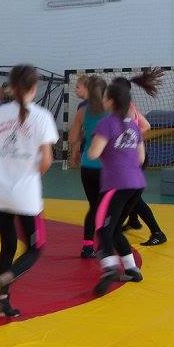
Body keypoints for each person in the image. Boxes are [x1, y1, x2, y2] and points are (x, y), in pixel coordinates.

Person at [0, 65, 59, 318]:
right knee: (36, 248)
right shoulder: (42, 116)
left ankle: (2, 302)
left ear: (11, 88)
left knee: (8, 245)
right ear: (34, 88)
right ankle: (2, 281)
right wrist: (31, 176)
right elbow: (47, 160)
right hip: (26, 195)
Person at [86, 77, 148, 297]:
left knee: (102, 228)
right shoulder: (133, 125)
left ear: (111, 101)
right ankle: (132, 270)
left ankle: (110, 268)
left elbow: (93, 153)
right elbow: (141, 158)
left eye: (105, 97)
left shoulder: (107, 123)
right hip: (136, 184)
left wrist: (98, 148)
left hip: (116, 184)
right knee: (113, 229)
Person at [116, 72, 168, 247]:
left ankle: (157, 232)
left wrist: (129, 139)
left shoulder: (127, 109)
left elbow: (142, 127)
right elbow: (145, 125)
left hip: (134, 158)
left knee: (134, 198)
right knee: (132, 196)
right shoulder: (127, 106)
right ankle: (133, 220)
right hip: (134, 157)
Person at [68, 76, 108, 258]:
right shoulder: (111, 111)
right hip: (107, 167)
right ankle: (105, 245)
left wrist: (80, 144)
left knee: (94, 207)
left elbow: (72, 138)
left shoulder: (82, 111)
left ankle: (87, 246)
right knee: (106, 208)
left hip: (87, 166)